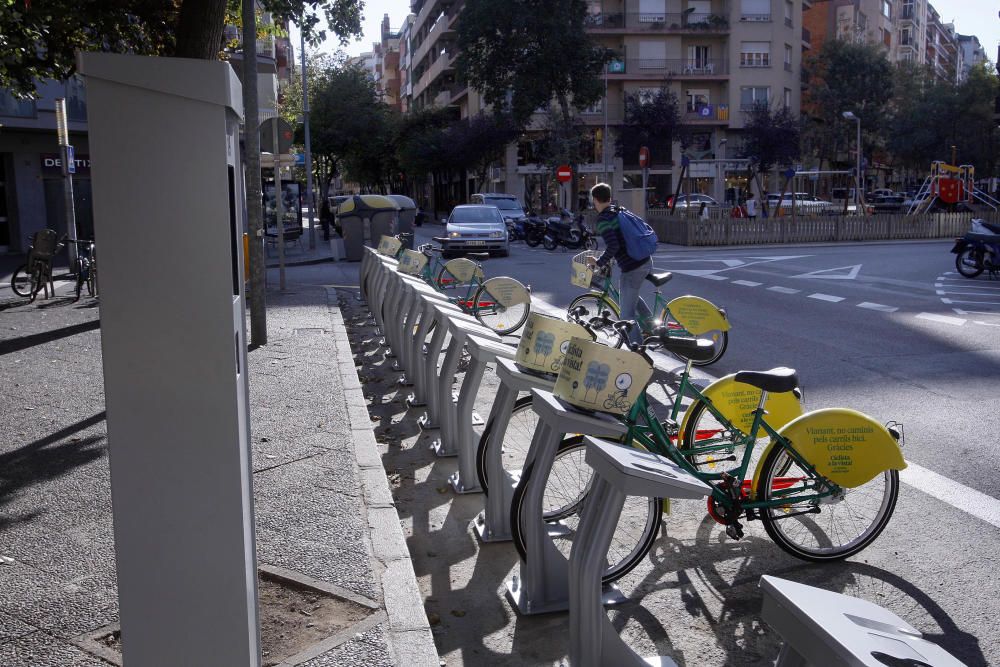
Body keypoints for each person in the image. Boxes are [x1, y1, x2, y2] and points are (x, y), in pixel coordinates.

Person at [587, 182, 653, 346]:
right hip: (645, 260)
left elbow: (614, 246)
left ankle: (638, 350)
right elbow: (622, 242)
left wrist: (599, 262)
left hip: (633, 268)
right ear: (609, 197)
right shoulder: (618, 210)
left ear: (595, 199)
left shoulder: (603, 219)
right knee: (632, 297)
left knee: (626, 316)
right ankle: (652, 327)